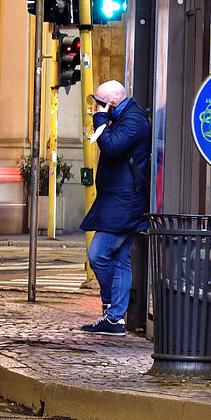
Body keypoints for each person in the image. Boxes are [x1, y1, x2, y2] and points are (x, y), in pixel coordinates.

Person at [79, 80, 151, 335]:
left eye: (99, 103)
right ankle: (115, 320)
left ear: (114, 103)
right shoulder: (124, 119)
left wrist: (100, 119)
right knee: (120, 260)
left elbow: (110, 147)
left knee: (98, 254)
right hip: (118, 199)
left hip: (125, 202)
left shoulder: (134, 121)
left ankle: (110, 305)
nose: (95, 108)